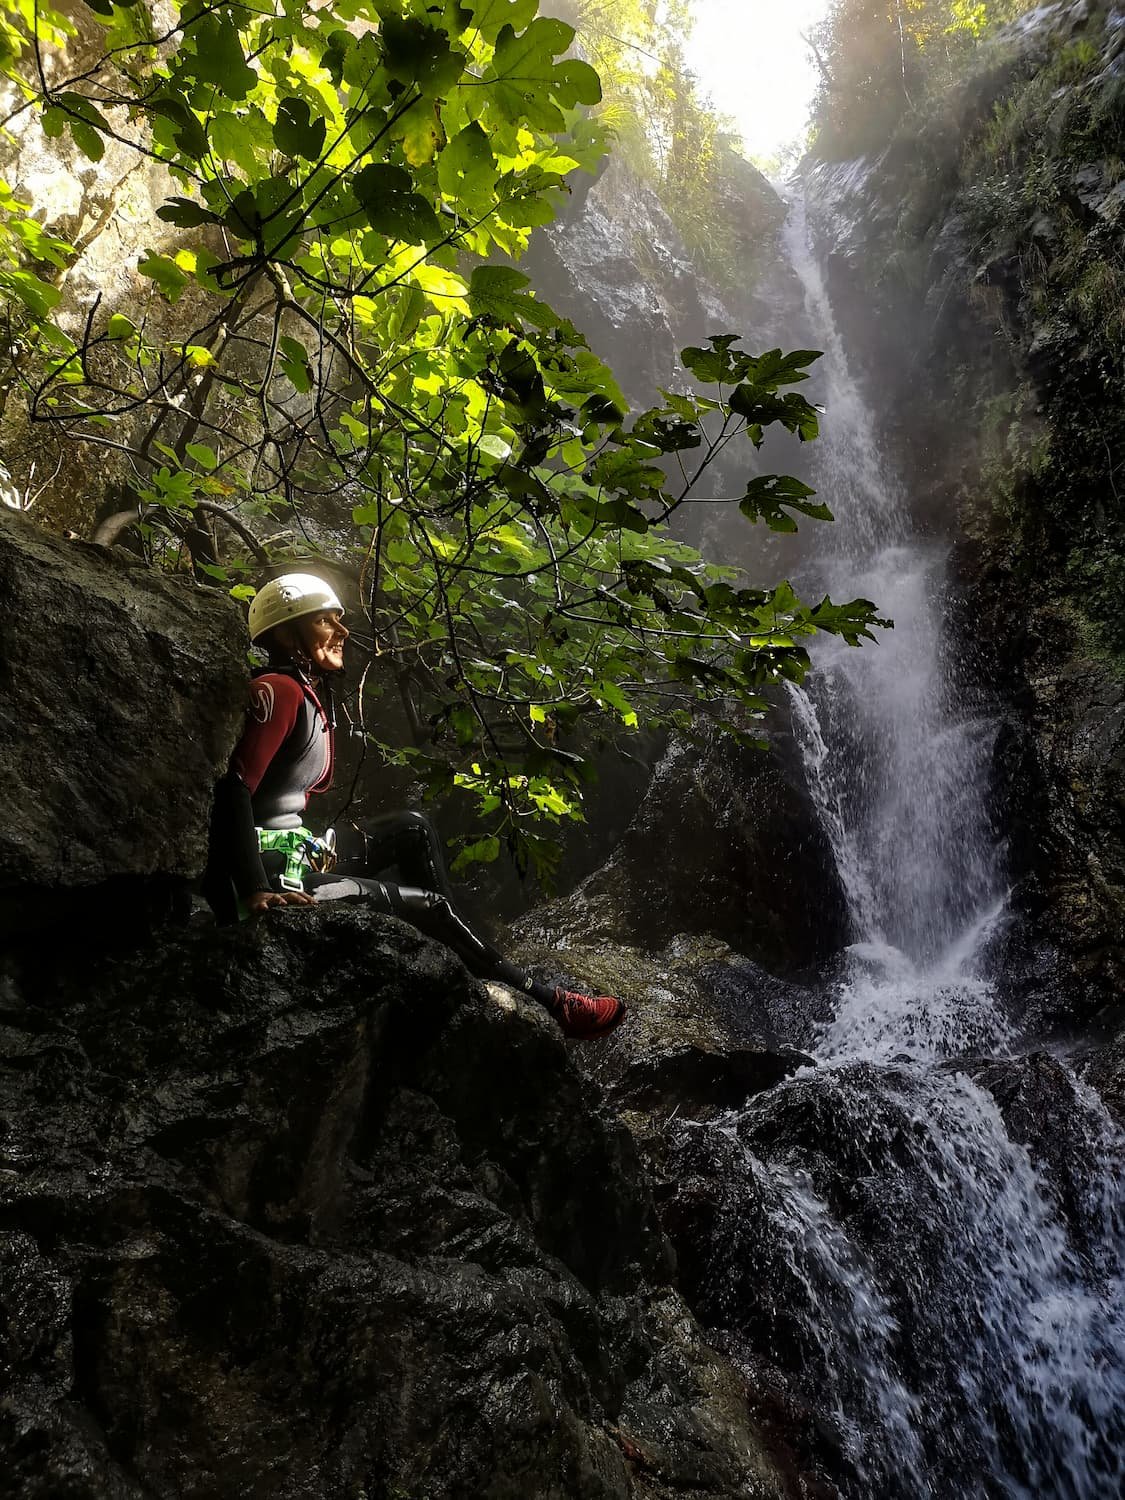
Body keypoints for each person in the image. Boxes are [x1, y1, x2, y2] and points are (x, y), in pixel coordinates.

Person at [204, 573, 626, 1040]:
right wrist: (255, 889)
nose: (343, 633)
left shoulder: (301, 692)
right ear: (287, 633)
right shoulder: (277, 691)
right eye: (327, 622)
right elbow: (234, 787)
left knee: (412, 828)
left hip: (291, 850)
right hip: (270, 870)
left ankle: (460, 961)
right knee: (431, 906)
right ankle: (549, 1003)